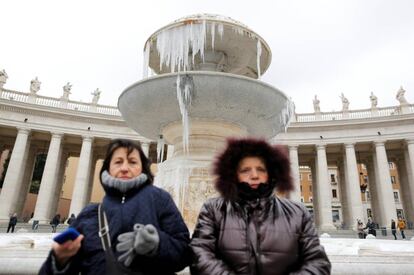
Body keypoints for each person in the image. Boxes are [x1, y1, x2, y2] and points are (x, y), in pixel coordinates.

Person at [39, 139, 190, 274]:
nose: (125, 168)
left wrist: (158, 243)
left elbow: (185, 253)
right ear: (107, 169)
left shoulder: (160, 200)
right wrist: (59, 260)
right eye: (118, 162)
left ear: (142, 168)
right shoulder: (89, 214)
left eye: (132, 162)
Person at [190, 138, 331, 275]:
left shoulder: (298, 212)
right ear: (233, 175)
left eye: (261, 169)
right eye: (245, 170)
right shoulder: (213, 209)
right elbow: (200, 255)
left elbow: (318, 262)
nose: (254, 175)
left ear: (271, 174)